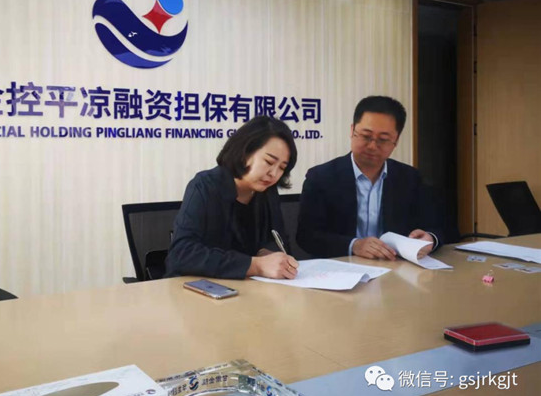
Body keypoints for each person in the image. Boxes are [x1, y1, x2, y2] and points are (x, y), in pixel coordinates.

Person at [297, 96, 446, 260]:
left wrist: (430, 238)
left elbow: (438, 227)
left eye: (383, 140)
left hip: (396, 266)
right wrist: (354, 245)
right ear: (352, 130)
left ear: (396, 140)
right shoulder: (321, 177)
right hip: (341, 267)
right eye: (366, 136)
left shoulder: (411, 178)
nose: (373, 146)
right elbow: (306, 236)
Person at [165, 116, 300, 279]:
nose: (274, 174)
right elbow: (181, 254)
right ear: (244, 153)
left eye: (282, 168)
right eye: (269, 162)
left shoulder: (267, 191)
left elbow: (279, 240)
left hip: (250, 287)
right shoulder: (205, 186)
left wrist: (267, 253)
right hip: (198, 286)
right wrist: (255, 265)